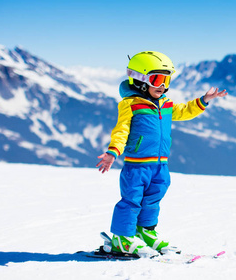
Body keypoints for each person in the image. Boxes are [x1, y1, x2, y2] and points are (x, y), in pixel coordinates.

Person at [96, 51, 227, 256]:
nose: (163, 85)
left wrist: (204, 100)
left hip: (160, 165)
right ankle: (122, 238)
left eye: (166, 79)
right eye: (157, 79)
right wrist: (113, 152)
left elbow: (183, 111)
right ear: (139, 80)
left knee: (152, 200)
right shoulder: (131, 105)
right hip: (137, 165)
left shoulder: (166, 103)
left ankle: (144, 232)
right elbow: (122, 130)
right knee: (132, 200)